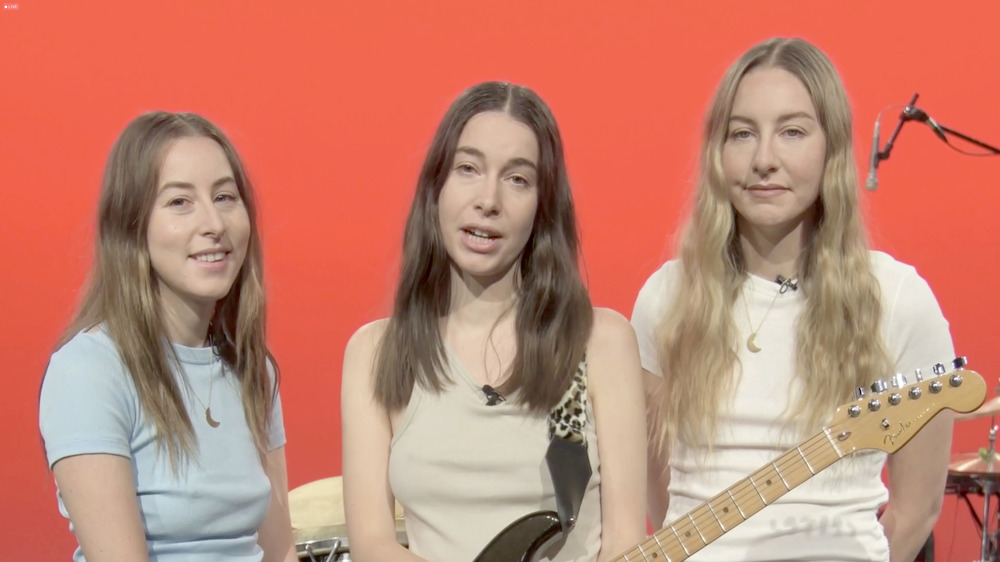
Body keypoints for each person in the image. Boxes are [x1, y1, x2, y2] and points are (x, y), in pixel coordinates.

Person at [631, 38, 954, 562]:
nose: (764, 159)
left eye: (792, 132)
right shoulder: (665, 299)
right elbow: (660, 491)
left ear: (832, 149)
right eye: (742, 134)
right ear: (717, 152)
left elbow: (917, 510)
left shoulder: (897, 300)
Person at [341, 82, 646, 561]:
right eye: (468, 168)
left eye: (517, 179)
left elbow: (627, 542)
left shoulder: (597, 343)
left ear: (543, 206)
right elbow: (372, 544)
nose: (489, 199)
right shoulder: (377, 352)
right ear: (436, 188)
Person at [38, 112, 296, 562]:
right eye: (180, 202)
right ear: (132, 226)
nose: (214, 223)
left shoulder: (254, 368)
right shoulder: (88, 371)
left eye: (225, 196)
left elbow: (280, 551)